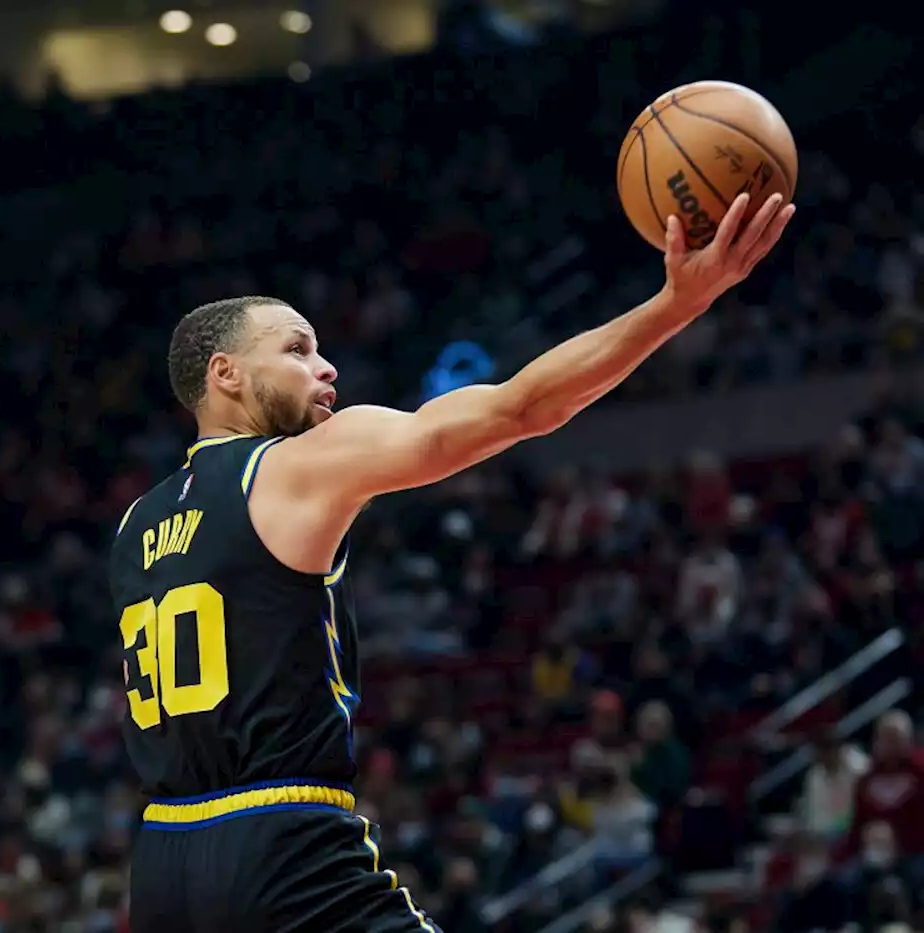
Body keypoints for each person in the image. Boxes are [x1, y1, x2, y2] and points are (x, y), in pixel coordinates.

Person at [111, 192, 794, 933]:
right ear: (226, 374)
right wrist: (675, 304)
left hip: (161, 865)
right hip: (281, 845)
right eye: (298, 349)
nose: (327, 366)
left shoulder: (134, 522)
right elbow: (520, 409)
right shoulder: (298, 464)